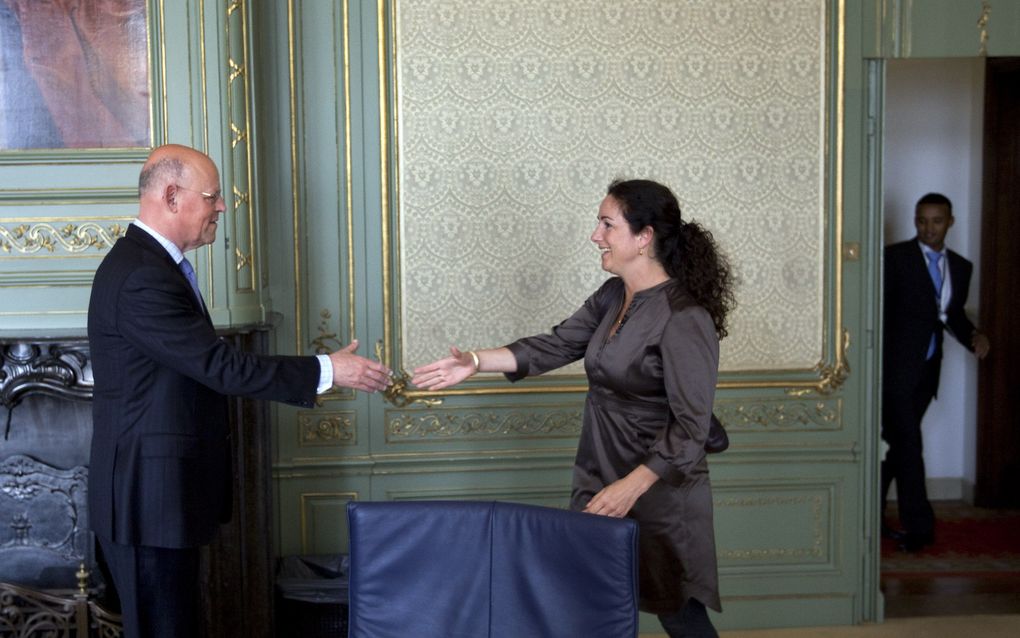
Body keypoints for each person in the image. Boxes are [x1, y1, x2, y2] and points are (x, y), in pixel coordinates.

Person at [87, 143, 392, 638]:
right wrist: (329, 370)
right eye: (212, 196)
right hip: (147, 502)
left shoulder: (150, 267)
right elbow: (221, 366)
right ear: (171, 196)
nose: (223, 207)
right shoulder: (142, 276)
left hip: (158, 500)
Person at [412, 179, 734, 638]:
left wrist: (631, 487)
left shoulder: (685, 318)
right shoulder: (611, 296)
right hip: (600, 470)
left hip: (660, 489)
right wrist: (475, 362)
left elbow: (691, 427)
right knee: (585, 593)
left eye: (607, 224)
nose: (595, 235)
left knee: (678, 612)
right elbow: (556, 345)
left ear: (644, 237)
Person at [882, 192, 990, 552]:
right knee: (910, 446)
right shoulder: (894, 258)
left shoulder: (961, 267)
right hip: (895, 371)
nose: (929, 228)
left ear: (950, 222)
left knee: (897, 446)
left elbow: (950, 316)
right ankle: (919, 528)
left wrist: (973, 336)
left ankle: (868, 514)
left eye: (937, 221)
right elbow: (879, 313)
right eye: (922, 221)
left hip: (928, 373)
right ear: (915, 221)